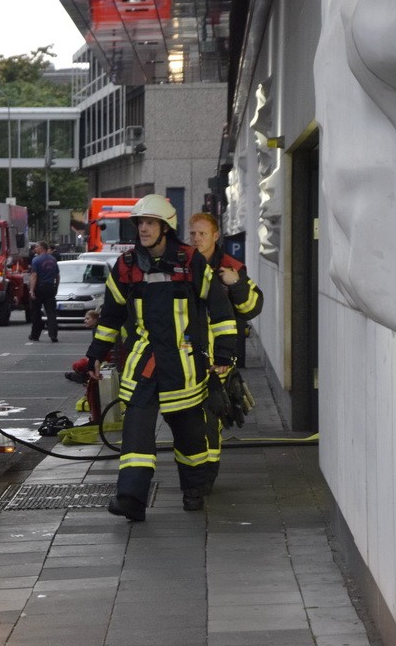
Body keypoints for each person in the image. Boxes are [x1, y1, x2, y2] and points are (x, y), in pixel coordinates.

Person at [84, 194, 238, 521]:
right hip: (143, 364)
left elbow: (221, 310)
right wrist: (96, 354)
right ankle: (131, 499)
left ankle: (194, 490)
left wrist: (224, 353)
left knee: (189, 434)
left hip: (184, 365)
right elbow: (111, 315)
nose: (144, 229)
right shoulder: (125, 266)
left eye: (150, 223)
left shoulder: (191, 261)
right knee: (136, 433)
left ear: (166, 227)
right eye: (140, 222)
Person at [189, 212, 265, 493]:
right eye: (193, 234)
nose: (197, 239)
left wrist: (237, 283)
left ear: (216, 236)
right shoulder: (184, 265)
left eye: (203, 234)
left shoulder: (230, 267)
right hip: (189, 356)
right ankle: (198, 472)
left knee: (210, 419)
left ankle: (207, 475)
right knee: (190, 419)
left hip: (219, 359)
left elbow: (252, 309)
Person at [28, 240, 60, 342]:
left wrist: (32, 290)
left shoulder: (36, 260)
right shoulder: (53, 260)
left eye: (36, 247)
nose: (35, 249)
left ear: (41, 248)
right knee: (51, 312)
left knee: (36, 312)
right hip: (50, 287)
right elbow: (57, 276)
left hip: (40, 287)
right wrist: (56, 287)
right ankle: (53, 334)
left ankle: (35, 335)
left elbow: (34, 276)